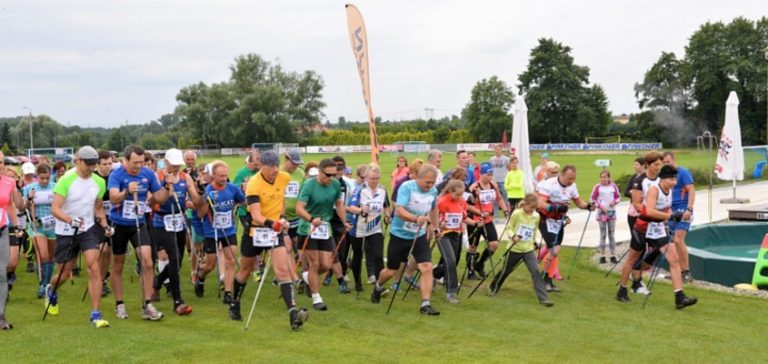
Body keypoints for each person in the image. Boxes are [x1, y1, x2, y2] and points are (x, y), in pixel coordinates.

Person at [232, 150, 310, 329]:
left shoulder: (284, 177)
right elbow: (256, 215)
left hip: (275, 231)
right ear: (261, 166)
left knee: (282, 270)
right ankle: (234, 303)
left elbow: (281, 198)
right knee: (245, 270)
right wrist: (272, 223)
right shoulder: (254, 184)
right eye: (270, 167)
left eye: (276, 166)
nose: (274, 170)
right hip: (256, 231)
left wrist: (281, 218)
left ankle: (293, 313)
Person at [47, 146, 114, 327]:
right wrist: (70, 220)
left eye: (94, 164)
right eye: (89, 164)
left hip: (88, 229)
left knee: (93, 267)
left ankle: (95, 314)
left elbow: (98, 208)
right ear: (78, 161)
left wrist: (105, 225)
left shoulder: (99, 182)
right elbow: (55, 209)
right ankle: (51, 289)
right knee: (64, 274)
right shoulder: (66, 180)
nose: (92, 167)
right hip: (66, 231)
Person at [616, 165, 697, 309]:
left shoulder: (669, 191)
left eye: (675, 179)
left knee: (674, 259)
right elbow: (650, 211)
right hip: (643, 227)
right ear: (663, 178)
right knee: (632, 259)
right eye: (671, 179)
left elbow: (667, 208)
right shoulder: (654, 190)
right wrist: (670, 216)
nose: (674, 182)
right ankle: (622, 289)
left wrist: (674, 216)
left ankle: (679, 297)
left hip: (658, 228)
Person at [108, 145, 170, 321]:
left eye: (141, 163)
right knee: (118, 264)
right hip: (119, 223)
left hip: (138, 222)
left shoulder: (147, 174)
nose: (138, 166)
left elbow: (159, 197)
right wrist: (127, 191)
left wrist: (166, 187)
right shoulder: (117, 174)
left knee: (147, 261)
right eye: (135, 163)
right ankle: (120, 304)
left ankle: (147, 304)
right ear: (126, 160)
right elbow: (113, 197)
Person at [371, 165, 440, 316]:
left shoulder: (433, 191)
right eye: (427, 182)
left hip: (419, 234)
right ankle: (378, 286)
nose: (430, 185)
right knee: (391, 270)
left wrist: (435, 226)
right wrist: (416, 218)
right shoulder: (407, 187)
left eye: (432, 182)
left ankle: (425, 304)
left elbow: (434, 209)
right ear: (418, 178)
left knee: (426, 267)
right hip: (400, 234)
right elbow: (400, 211)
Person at [295, 159, 350, 311]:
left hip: (325, 228)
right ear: (320, 171)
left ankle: (306, 278)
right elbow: (299, 208)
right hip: (308, 227)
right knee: (315, 263)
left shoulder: (335, 184)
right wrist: (311, 219)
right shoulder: (309, 185)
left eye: (334, 175)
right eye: (328, 175)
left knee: (326, 265)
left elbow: (339, 204)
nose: (331, 178)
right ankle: (316, 298)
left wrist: (345, 221)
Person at [151, 149, 201, 315]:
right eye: (173, 164)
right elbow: (157, 200)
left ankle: (157, 282)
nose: (176, 167)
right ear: (165, 162)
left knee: (178, 260)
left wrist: (200, 189)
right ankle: (177, 301)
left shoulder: (185, 177)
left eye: (178, 164)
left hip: (178, 221)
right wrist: (167, 186)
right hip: (161, 221)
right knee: (173, 256)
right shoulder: (157, 177)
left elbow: (196, 199)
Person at [195, 160, 244, 309]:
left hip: (228, 230)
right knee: (210, 264)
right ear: (213, 175)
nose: (224, 179)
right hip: (212, 231)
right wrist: (206, 202)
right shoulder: (208, 190)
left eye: (225, 175)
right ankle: (201, 277)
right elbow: (200, 214)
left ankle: (228, 293)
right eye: (220, 176)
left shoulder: (232, 188)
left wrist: (245, 196)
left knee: (230, 260)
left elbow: (244, 202)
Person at [537, 165, 594, 292]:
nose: (571, 181)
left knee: (555, 251)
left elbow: (579, 202)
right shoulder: (549, 184)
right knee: (554, 249)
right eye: (569, 178)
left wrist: (588, 206)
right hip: (545, 220)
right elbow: (540, 203)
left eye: (573, 179)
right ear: (562, 175)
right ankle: (544, 278)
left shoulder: (572, 187)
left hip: (559, 222)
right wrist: (555, 208)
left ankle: (547, 278)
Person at [489, 193, 553, 306]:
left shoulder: (536, 216)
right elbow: (509, 228)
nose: (532, 210)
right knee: (506, 270)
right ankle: (493, 286)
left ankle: (544, 298)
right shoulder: (517, 213)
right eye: (531, 207)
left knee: (536, 271)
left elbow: (533, 230)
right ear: (525, 204)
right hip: (515, 248)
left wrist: (534, 242)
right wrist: (513, 236)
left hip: (528, 249)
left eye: (534, 208)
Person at [434, 179, 480, 304]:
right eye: (457, 194)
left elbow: (463, 217)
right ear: (450, 191)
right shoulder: (442, 201)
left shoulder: (461, 202)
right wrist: (439, 224)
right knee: (451, 261)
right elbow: (433, 218)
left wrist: (475, 223)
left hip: (456, 234)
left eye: (461, 194)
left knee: (451, 263)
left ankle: (432, 273)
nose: (460, 197)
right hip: (443, 235)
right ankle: (451, 292)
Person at [347, 164, 391, 293]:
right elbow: (350, 208)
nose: (375, 181)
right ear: (366, 178)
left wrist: (387, 215)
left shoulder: (382, 190)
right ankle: (357, 283)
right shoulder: (360, 190)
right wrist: (361, 210)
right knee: (358, 256)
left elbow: (386, 205)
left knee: (378, 256)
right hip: (359, 229)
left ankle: (379, 285)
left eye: (377, 178)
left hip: (375, 228)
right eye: (372, 178)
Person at [466, 162, 509, 280]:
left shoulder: (493, 185)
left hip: (488, 220)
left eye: (491, 174)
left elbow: (499, 199)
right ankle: (470, 271)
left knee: (494, 244)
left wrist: (505, 210)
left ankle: (479, 265)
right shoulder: (474, 187)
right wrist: (480, 213)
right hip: (475, 221)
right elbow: (468, 206)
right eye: (488, 174)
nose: (490, 177)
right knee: (473, 247)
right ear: (481, 174)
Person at [22, 164, 57, 299]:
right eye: (42, 178)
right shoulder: (29, 188)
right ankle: (43, 284)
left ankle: (48, 283)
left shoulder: (55, 187)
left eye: (47, 178)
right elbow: (23, 207)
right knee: (43, 255)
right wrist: (29, 198)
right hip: (37, 226)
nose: (45, 181)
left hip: (53, 225)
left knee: (51, 256)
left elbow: (61, 203)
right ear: (37, 176)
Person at [662, 151, 695, 282]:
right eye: (664, 163)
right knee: (671, 242)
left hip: (683, 209)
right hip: (670, 210)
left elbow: (692, 190)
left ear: (674, 160)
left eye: (668, 162)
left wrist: (689, 209)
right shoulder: (665, 175)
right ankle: (677, 271)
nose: (666, 164)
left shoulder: (683, 172)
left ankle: (686, 273)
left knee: (678, 240)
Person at [0, 153, 24, 330]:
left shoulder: (8, 182)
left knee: (2, 273)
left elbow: (8, 205)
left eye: (1, 162)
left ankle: (0, 316)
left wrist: (16, 225)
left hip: (2, 231)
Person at [233, 151, 261, 279]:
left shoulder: (260, 173)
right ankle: (255, 269)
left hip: (260, 210)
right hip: (245, 210)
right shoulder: (241, 173)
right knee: (252, 237)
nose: (259, 163)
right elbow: (234, 189)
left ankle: (253, 262)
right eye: (256, 161)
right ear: (250, 162)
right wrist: (243, 186)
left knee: (259, 237)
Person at [94, 150, 113, 298]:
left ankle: (104, 277)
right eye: (105, 164)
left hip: (114, 216)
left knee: (110, 252)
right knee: (103, 249)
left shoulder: (114, 176)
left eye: (110, 163)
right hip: (97, 217)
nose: (108, 166)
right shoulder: (94, 178)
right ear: (98, 165)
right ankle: (99, 280)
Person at [590, 170, 620, 264]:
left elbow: (618, 197)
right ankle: (602, 255)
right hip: (601, 212)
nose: (603, 179)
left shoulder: (613, 186)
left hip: (611, 212)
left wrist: (614, 202)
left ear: (609, 178)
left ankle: (612, 255)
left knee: (611, 233)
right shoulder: (598, 187)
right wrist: (600, 206)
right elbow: (592, 199)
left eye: (605, 177)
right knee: (603, 234)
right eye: (601, 177)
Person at [490, 144, 510, 216]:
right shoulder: (491, 159)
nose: (497, 151)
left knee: (505, 199)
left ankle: (507, 215)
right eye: (496, 149)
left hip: (503, 181)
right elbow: (490, 170)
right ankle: (496, 217)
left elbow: (509, 169)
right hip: (494, 182)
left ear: (501, 150)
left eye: (498, 149)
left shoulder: (506, 159)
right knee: (495, 200)